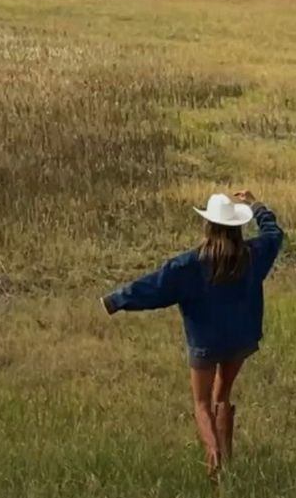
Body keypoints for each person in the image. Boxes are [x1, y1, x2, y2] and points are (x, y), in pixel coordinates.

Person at [100, 189, 284, 479]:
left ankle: (214, 464)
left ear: (208, 226)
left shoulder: (188, 265)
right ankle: (228, 458)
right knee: (221, 396)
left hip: (205, 344)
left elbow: (153, 288)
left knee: (201, 403)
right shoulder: (253, 255)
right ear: (238, 227)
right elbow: (274, 233)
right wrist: (256, 204)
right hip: (241, 339)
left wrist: (117, 300)